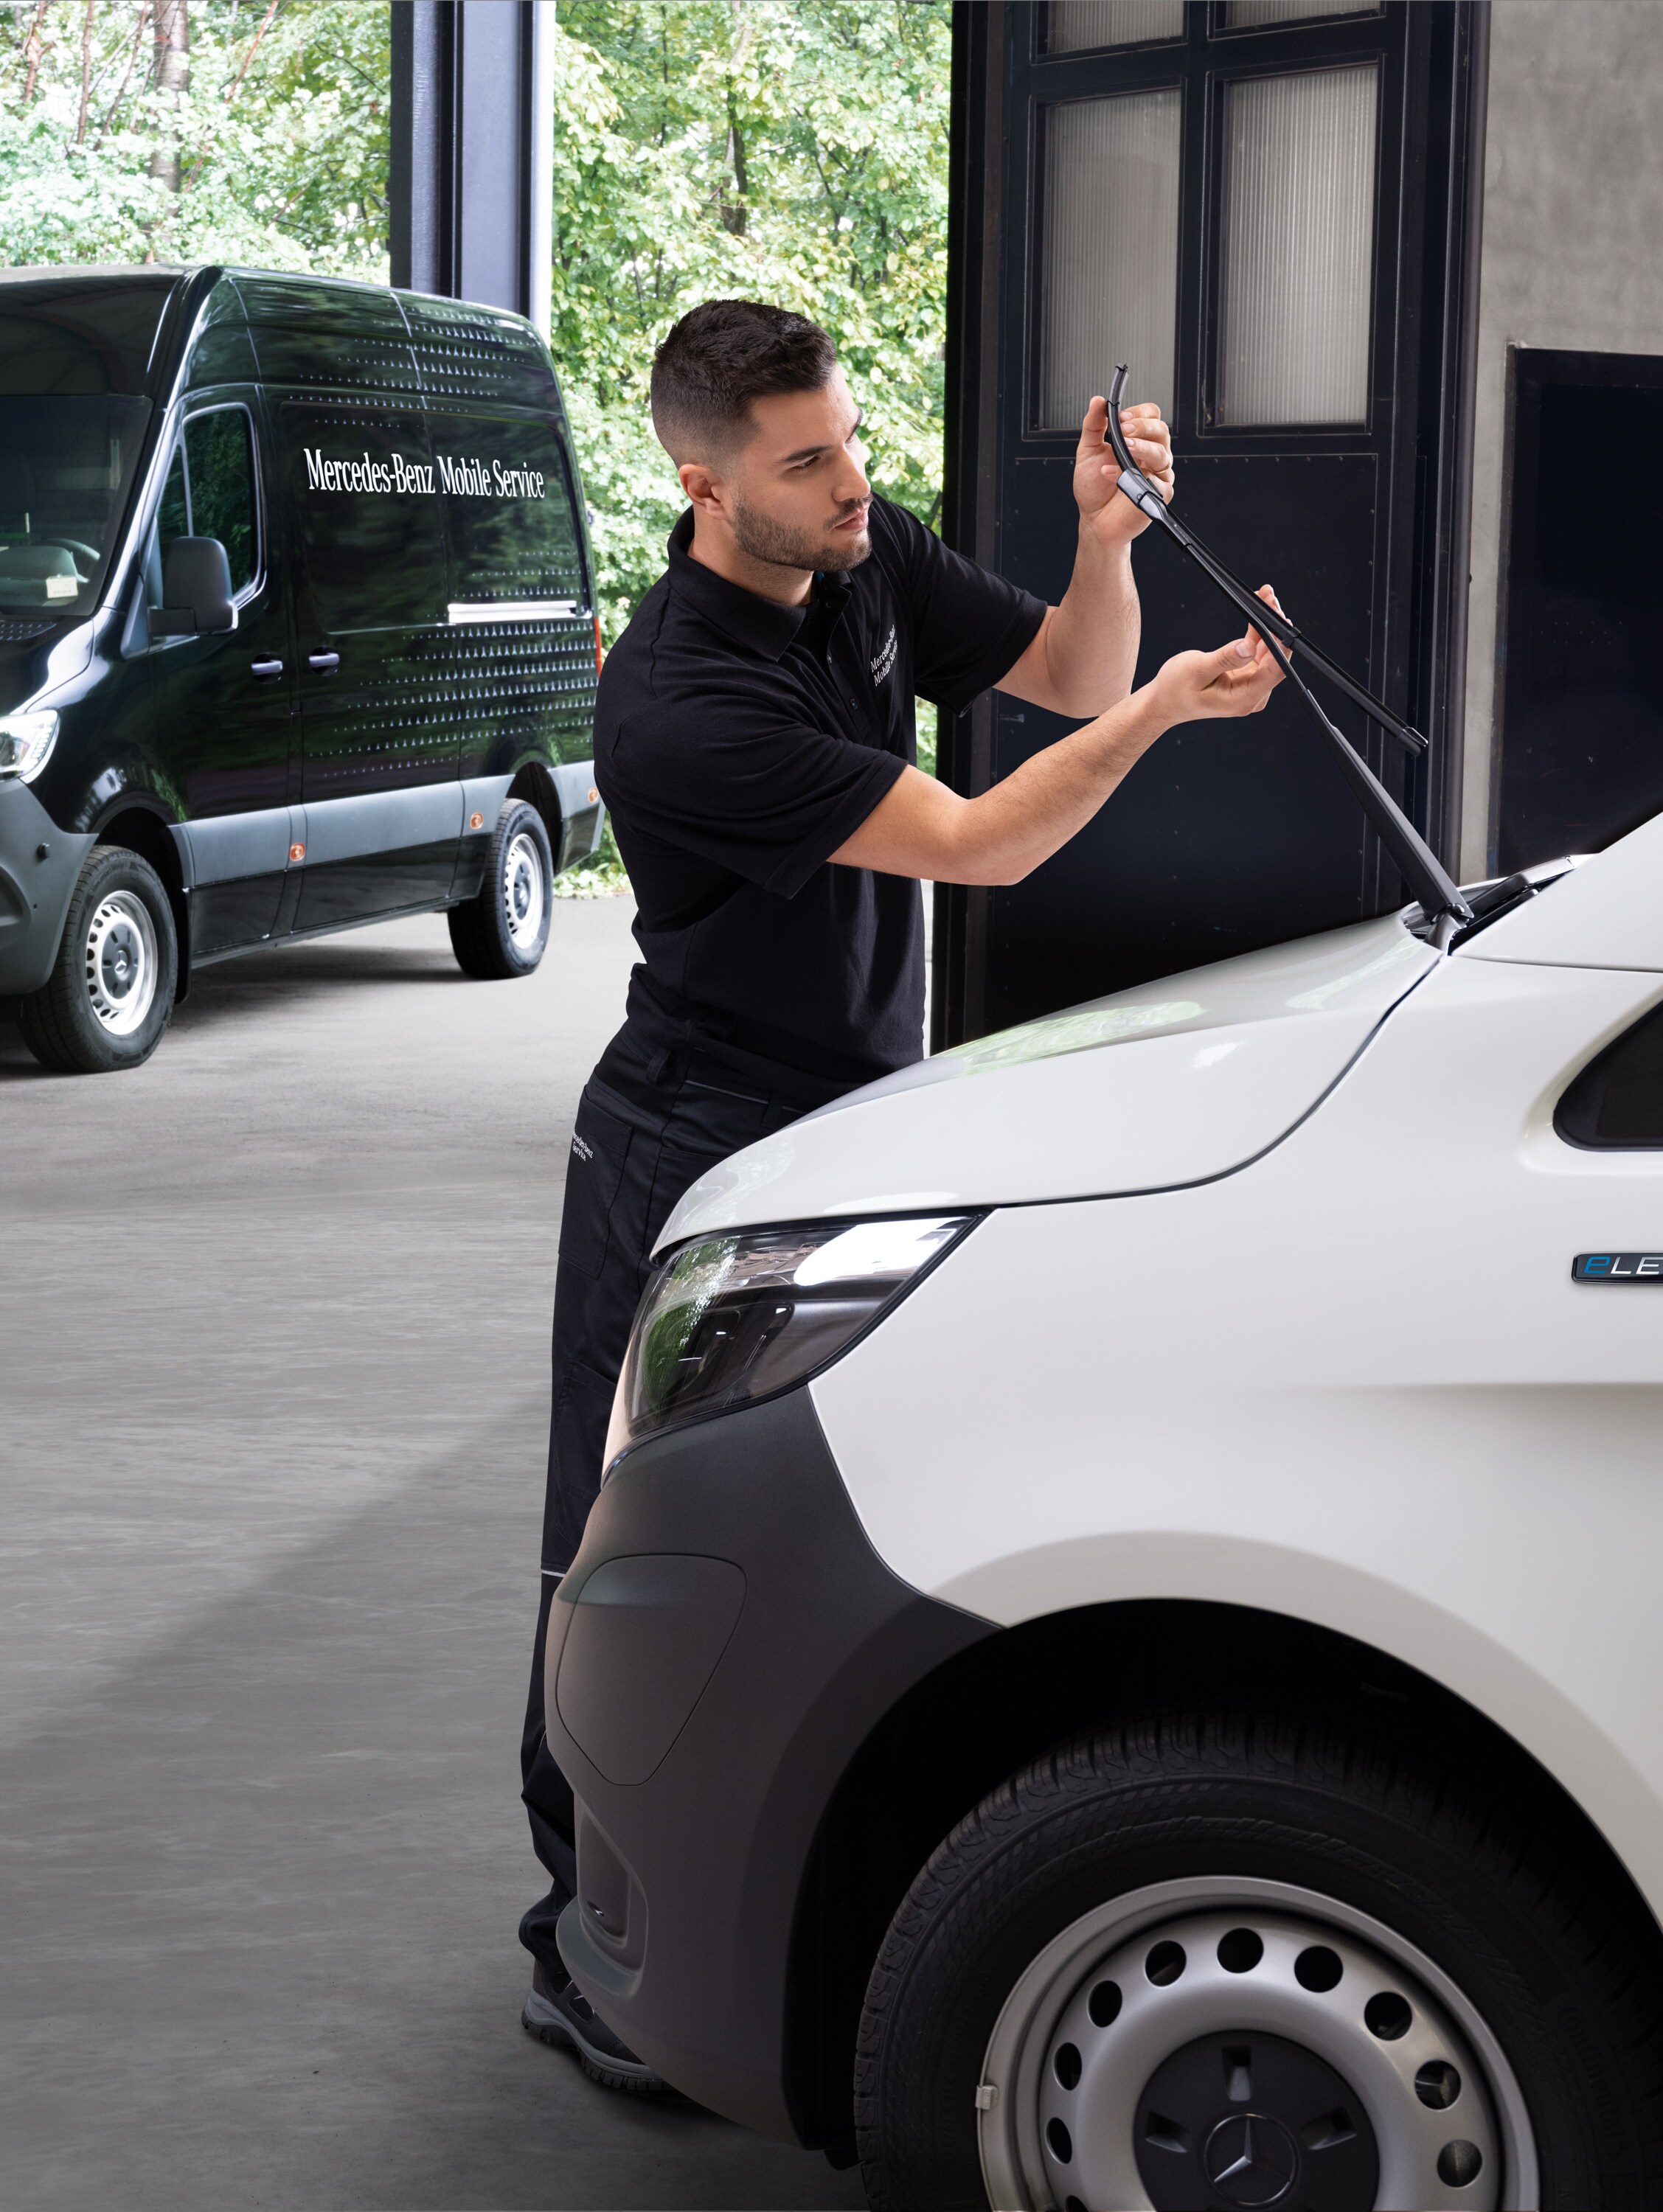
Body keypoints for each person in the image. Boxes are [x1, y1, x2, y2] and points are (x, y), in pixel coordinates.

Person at [518, 299, 1283, 2087]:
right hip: (692, 1143)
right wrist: (1179, 712)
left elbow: (1070, 677)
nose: (851, 479)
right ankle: (580, 1934)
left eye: (848, 439)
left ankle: (763, 1902)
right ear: (702, 485)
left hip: (856, 1127)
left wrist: (1106, 549)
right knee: (615, 1546)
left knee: (818, 1530)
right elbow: (979, 838)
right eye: (803, 461)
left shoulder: (862, 553)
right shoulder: (678, 697)